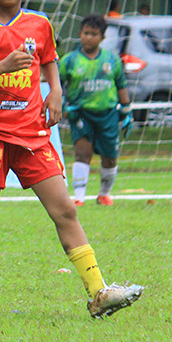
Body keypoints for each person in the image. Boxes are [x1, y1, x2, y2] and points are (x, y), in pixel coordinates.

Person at [0, 0, 143, 320]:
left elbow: (49, 58)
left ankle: (98, 292)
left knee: (65, 209)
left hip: (32, 133)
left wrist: (54, 90)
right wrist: (2, 67)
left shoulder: (39, 24)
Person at [58, 14, 132, 206]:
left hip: (108, 115)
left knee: (110, 156)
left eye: (94, 34)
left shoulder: (112, 60)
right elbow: (56, 85)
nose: (89, 37)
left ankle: (104, 194)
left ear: (102, 37)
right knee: (82, 153)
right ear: (79, 34)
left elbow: (121, 84)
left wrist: (126, 110)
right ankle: (79, 197)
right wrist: (63, 105)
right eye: (85, 33)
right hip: (81, 113)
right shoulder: (70, 61)